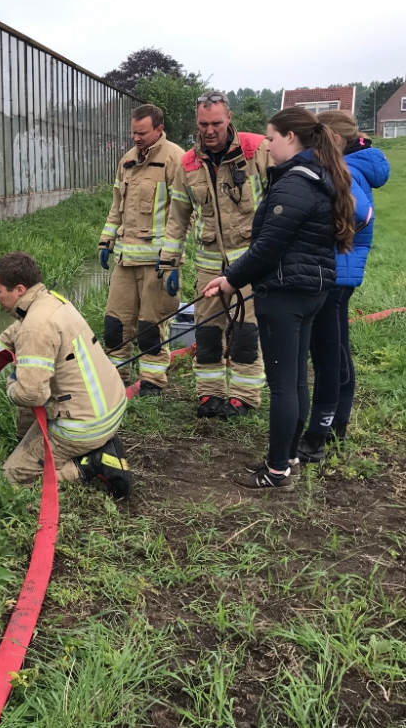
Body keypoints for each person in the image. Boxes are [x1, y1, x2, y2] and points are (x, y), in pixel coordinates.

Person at [203, 107, 356, 491]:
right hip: (312, 291)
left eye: (271, 138)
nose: (267, 146)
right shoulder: (317, 175)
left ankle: (276, 471)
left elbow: (268, 247)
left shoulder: (293, 185)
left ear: (290, 137)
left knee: (283, 385)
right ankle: (287, 458)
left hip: (286, 294)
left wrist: (229, 280)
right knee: (296, 381)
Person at [0, 252, 132, 498]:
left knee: (8, 481)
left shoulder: (36, 326)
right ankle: (61, 450)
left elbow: (32, 395)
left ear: (20, 289)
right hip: (109, 408)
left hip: (83, 427)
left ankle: (91, 465)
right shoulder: (49, 302)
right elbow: (10, 336)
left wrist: (11, 383)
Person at [158, 91, 271, 419]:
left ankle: (244, 397)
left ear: (229, 118)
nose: (210, 130)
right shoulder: (188, 163)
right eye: (203, 124)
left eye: (217, 123)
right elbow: (177, 216)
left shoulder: (255, 149)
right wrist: (169, 261)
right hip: (208, 265)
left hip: (249, 263)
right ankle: (210, 395)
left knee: (246, 333)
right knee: (207, 331)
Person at [295, 110, 390, 463]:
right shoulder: (352, 167)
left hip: (335, 272)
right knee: (334, 351)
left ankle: (322, 432)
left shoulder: (345, 172)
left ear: (334, 139)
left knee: (328, 355)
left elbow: (361, 213)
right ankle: (336, 425)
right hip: (340, 271)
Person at [99, 104, 185, 396]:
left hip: (157, 264)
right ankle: (116, 377)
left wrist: (173, 261)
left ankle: (152, 381)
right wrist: (106, 240)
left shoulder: (176, 159)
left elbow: (185, 213)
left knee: (152, 326)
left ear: (159, 129)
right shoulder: (127, 160)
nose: (136, 137)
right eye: (133, 132)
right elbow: (116, 206)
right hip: (125, 260)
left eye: (142, 132)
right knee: (115, 324)